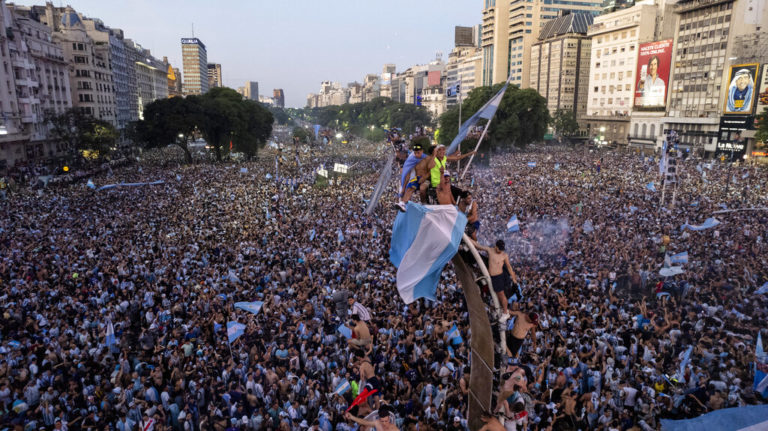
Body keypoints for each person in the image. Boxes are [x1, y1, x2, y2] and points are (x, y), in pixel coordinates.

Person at [472, 239, 519, 320]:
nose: (500, 251)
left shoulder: (504, 255)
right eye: (499, 249)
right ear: (495, 246)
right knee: (497, 295)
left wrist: (514, 279)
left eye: (502, 249)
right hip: (491, 277)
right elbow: (477, 246)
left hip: (499, 277)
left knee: (501, 294)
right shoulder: (490, 250)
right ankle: (502, 310)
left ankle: (505, 312)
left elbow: (509, 267)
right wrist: (466, 238)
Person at [395, 143, 429, 211]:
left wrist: (425, 177)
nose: (416, 154)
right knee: (409, 189)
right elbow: (407, 174)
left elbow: (432, 169)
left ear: (422, 151)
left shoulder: (427, 159)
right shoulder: (411, 160)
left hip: (426, 179)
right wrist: (403, 188)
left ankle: (424, 203)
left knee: (422, 188)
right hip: (416, 178)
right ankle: (402, 203)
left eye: (418, 152)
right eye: (415, 152)